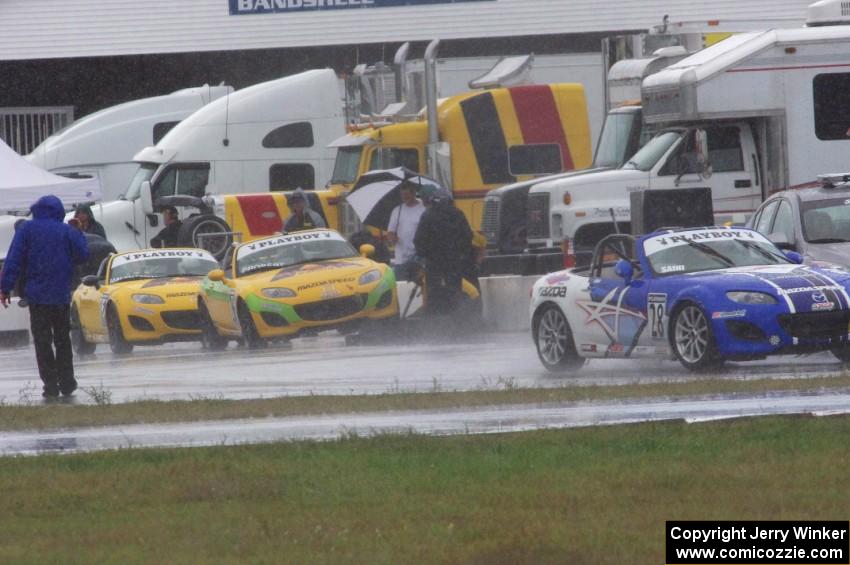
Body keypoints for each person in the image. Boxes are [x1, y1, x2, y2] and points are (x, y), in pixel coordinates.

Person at [0, 195, 89, 398]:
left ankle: (50, 385)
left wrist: (4, 287)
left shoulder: (26, 230)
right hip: (60, 296)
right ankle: (67, 382)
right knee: (62, 340)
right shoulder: (66, 231)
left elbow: (13, 260)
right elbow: (83, 254)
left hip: (37, 298)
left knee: (42, 341)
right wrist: (78, 231)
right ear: (58, 211)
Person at [413, 185, 473, 316]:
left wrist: (425, 255)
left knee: (434, 292)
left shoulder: (427, 216)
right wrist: (461, 254)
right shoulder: (458, 214)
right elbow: (468, 237)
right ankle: (455, 319)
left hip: (434, 263)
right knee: (454, 291)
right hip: (454, 262)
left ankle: (436, 321)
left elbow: (418, 240)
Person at [386, 181, 426, 282]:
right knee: (402, 287)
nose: (404, 197)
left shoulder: (423, 208)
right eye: (402, 195)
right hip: (401, 259)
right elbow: (390, 232)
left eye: (407, 194)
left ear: (413, 193)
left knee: (419, 287)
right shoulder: (397, 210)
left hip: (419, 257)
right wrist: (392, 239)